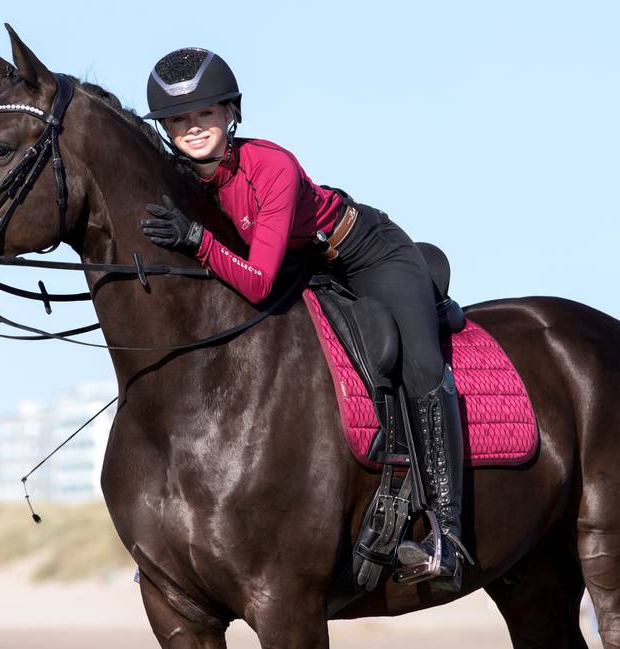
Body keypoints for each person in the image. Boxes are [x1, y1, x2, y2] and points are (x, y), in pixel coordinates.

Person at [139, 47, 468, 590]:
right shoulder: (183, 178)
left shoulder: (273, 166)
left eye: (204, 114)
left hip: (367, 253)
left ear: (231, 113)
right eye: (178, 119)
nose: (192, 128)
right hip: (302, 264)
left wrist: (196, 239)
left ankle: (446, 534)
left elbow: (258, 281)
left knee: (422, 366)